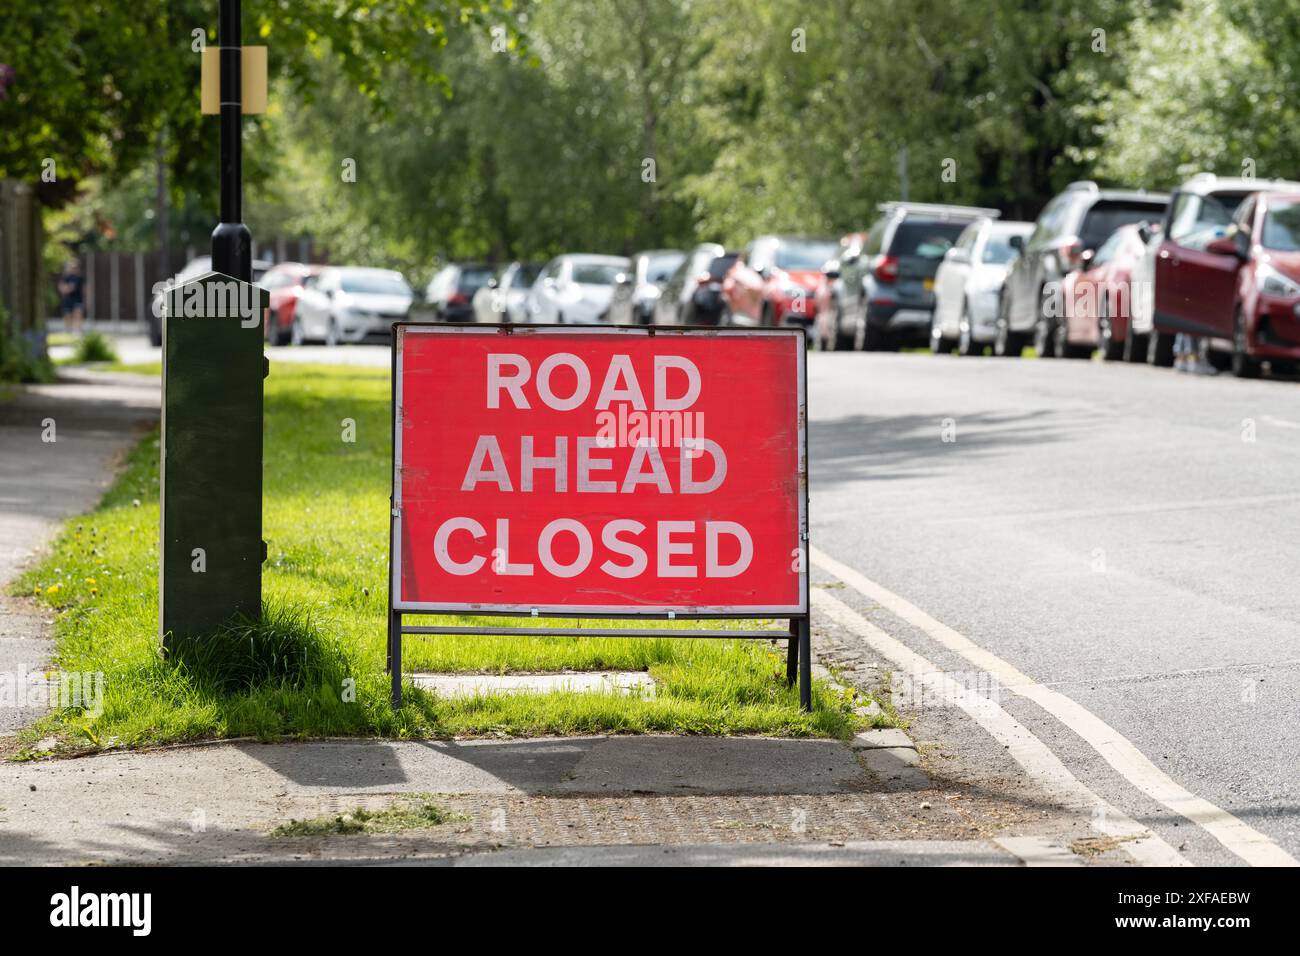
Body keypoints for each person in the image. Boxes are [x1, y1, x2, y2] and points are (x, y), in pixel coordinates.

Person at [57, 259, 85, 335]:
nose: (73, 269)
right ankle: (67, 331)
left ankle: (77, 331)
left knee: (78, 314)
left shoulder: (79, 277)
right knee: (67, 315)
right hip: (68, 299)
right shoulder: (65, 277)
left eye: (75, 267)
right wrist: (67, 288)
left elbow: (74, 288)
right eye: (71, 267)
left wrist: (67, 288)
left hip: (77, 299)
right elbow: (61, 288)